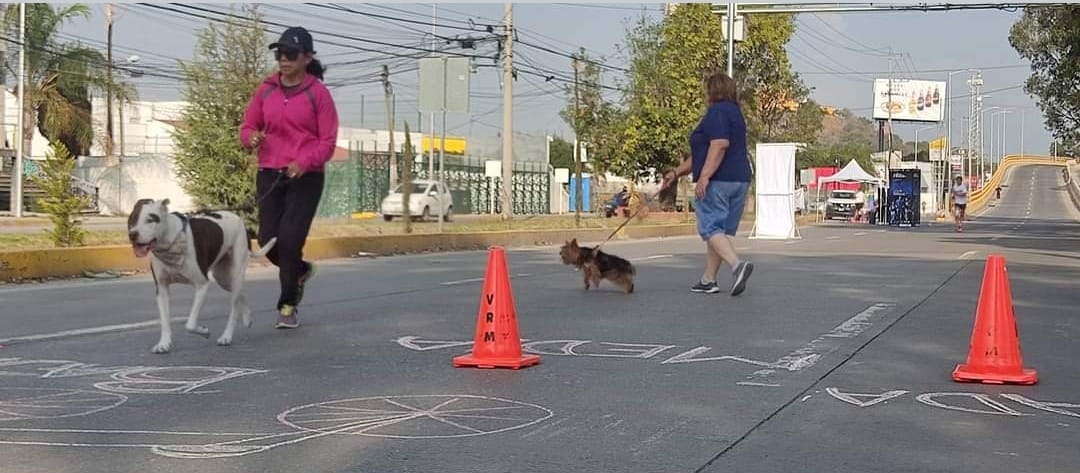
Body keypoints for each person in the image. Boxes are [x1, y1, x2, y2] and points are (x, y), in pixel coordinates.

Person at [240, 26, 339, 329]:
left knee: (290, 240)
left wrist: (304, 162)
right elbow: (247, 127)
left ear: (307, 58)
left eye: (291, 54)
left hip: (305, 178)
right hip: (269, 173)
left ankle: (287, 305)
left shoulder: (318, 94)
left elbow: (327, 142)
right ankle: (300, 271)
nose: (283, 59)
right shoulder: (266, 89)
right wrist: (251, 138)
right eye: (279, 53)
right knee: (268, 240)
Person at [662, 70, 753, 296]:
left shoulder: (717, 112)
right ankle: (708, 279)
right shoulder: (735, 114)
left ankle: (736, 266)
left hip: (719, 180)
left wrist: (705, 176)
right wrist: (676, 172)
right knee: (719, 231)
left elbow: (719, 145)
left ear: (712, 91)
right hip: (739, 180)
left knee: (710, 227)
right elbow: (703, 154)